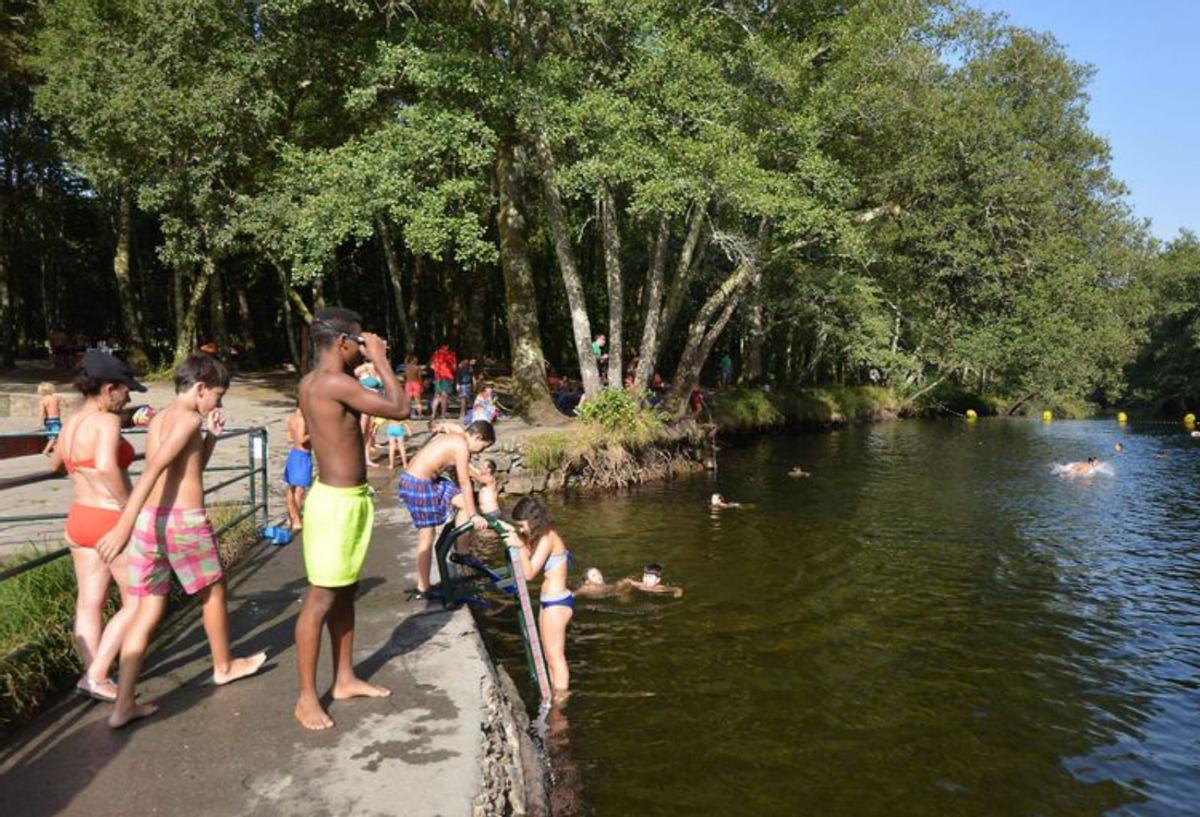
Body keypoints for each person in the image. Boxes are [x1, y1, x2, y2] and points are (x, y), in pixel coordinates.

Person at [95, 354, 266, 728]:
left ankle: (123, 703)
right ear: (201, 388)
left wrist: (211, 439)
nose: (217, 405)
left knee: (147, 610)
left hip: (150, 525)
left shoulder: (161, 418)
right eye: (217, 397)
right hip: (182, 524)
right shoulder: (189, 418)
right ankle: (224, 665)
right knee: (213, 592)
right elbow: (154, 469)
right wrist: (122, 525)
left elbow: (189, 468)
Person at [292, 307, 411, 730]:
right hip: (335, 506)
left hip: (348, 499)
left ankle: (343, 678)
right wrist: (380, 359)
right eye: (359, 341)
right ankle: (307, 698)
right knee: (320, 599)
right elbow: (400, 408)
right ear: (342, 343)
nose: (364, 347)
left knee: (344, 594)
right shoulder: (335, 383)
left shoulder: (314, 382)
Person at [49, 352, 147, 702]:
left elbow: (56, 462)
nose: (129, 398)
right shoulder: (106, 422)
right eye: (125, 390)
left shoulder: (73, 421)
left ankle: (92, 674)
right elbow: (107, 467)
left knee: (89, 603)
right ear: (108, 389)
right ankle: (98, 674)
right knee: (138, 601)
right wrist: (129, 507)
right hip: (108, 518)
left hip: (79, 517)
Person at [398, 419, 494, 594]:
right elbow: (465, 482)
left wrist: (470, 509)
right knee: (427, 535)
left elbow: (458, 478)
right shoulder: (461, 446)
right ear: (478, 437)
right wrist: (473, 516)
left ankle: (461, 552)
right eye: (483, 447)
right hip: (417, 483)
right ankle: (423, 587)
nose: (482, 452)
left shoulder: (456, 437)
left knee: (465, 502)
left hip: (430, 480)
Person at [499, 497, 573, 699]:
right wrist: (517, 538)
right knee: (549, 656)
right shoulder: (542, 536)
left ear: (532, 520)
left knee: (556, 657)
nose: (521, 530)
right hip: (550, 602)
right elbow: (530, 556)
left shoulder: (549, 538)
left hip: (557, 603)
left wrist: (519, 546)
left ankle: (561, 702)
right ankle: (552, 695)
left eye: (522, 525)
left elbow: (529, 572)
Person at [283, 406, 313, 530]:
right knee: (299, 490)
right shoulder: (302, 419)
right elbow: (301, 439)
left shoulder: (291, 419)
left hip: (294, 454)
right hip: (302, 456)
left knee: (292, 488)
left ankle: (291, 517)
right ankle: (296, 519)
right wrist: (313, 432)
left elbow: (289, 438)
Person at [356, 362, 383, 466]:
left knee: (369, 431)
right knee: (361, 431)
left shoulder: (379, 367)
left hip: (374, 404)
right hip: (364, 403)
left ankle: (366, 459)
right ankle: (356, 456)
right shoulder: (362, 368)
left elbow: (381, 386)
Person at [38, 381, 66, 456]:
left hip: (47, 421)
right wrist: (63, 400)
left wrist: (39, 423)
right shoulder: (56, 398)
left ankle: (57, 452)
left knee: (52, 436)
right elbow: (66, 405)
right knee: (55, 436)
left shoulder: (42, 400)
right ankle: (46, 451)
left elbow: (41, 413)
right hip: (55, 421)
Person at [430, 345, 458, 419]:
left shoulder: (436, 354)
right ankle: (443, 414)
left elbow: (432, 366)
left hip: (438, 377)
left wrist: (437, 370)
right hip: (447, 376)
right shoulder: (451, 354)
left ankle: (433, 414)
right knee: (444, 396)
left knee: (436, 396)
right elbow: (454, 367)